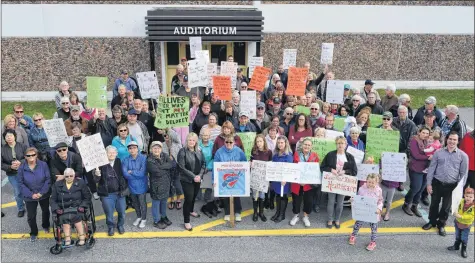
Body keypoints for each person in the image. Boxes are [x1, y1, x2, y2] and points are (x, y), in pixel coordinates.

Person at [423, 132, 469, 236]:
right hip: (437, 183)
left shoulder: (463, 156)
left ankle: (441, 225)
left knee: (446, 208)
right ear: (446, 139)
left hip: (451, 186)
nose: (452, 141)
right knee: (434, 204)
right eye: (450, 139)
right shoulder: (438, 153)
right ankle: (432, 222)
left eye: (454, 140)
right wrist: (429, 184)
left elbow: (463, 174)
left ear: (458, 141)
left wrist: (459, 189)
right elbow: (431, 169)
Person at [321, 136, 358, 229]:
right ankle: (330, 219)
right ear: (336, 144)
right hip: (332, 182)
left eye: (342, 143)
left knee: (340, 203)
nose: (340, 145)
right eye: (338, 143)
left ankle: (337, 219)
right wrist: (331, 169)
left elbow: (354, 171)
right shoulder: (330, 155)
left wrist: (345, 172)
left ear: (346, 145)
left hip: (343, 184)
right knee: (331, 201)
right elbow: (322, 167)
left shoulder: (350, 157)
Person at [50, 168, 91, 246]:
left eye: (71, 176)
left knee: (77, 218)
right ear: (64, 176)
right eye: (67, 176)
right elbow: (52, 200)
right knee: (64, 219)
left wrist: (83, 206)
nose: (69, 178)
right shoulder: (57, 185)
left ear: (74, 175)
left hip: (78, 207)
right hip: (63, 209)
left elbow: (87, 197)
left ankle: (82, 236)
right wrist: (56, 209)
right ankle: (67, 238)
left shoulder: (80, 182)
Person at [17, 147, 51, 241]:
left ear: (37, 155)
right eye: (28, 155)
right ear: (25, 157)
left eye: (33, 155)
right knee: (31, 215)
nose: (31, 157)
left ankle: (46, 225)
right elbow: (20, 183)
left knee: (45, 211)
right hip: (29, 196)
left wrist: (41, 192)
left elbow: (48, 180)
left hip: (43, 194)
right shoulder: (21, 168)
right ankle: (33, 232)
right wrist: (31, 194)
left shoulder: (43, 165)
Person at [94, 146, 128, 236]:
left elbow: (123, 175)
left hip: (119, 192)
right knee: (109, 213)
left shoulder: (118, 161)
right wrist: (97, 174)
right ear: (105, 154)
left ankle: (120, 225)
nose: (112, 154)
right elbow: (96, 180)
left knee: (122, 212)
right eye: (109, 152)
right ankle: (111, 227)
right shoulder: (100, 164)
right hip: (107, 194)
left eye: (114, 152)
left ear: (116, 154)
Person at [214, 135, 248, 222]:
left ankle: (237, 212)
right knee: (225, 195)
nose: (228, 144)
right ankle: (227, 213)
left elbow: (244, 162)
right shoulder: (219, 152)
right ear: (224, 142)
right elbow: (215, 166)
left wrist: (244, 177)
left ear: (234, 143)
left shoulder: (239, 151)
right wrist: (213, 180)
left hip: (236, 176)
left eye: (230, 142)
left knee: (236, 194)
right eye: (226, 142)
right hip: (223, 176)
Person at [177, 133, 205, 231]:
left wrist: (199, 176)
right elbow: (181, 167)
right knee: (188, 198)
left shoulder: (199, 150)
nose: (191, 142)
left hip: (197, 178)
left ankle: (191, 211)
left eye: (193, 140)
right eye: (190, 140)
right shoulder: (182, 151)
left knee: (194, 196)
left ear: (196, 141)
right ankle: (186, 221)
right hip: (187, 179)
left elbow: (203, 164)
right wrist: (194, 177)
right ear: (186, 141)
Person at [348, 173, 383, 251]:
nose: (370, 184)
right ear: (366, 181)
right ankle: (353, 235)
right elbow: (358, 198)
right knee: (358, 224)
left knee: (374, 228)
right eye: (369, 182)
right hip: (363, 212)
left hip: (374, 213)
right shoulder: (361, 189)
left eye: (372, 182)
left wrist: (379, 209)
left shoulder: (379, 190)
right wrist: (353, 200)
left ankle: (373, 242)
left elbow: (380, 201)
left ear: (377, 182)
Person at [289, 138, 319, 227]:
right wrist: (299, 180)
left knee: (308, 201)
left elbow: (315, 170)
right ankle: (296, 216)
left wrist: (306, 181)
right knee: (296, 201)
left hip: (309, 184)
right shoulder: (296, 154)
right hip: (297, 183)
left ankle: (306, 217)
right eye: (305, 144)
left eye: (309, 145)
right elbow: (293, 168)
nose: (307, 146)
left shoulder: (315, 155)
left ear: (311, 146)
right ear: (302, 145)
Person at [402, 127, 431, 218]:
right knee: (415, 187)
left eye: (427, 133)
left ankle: (414, 205)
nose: (425, 135)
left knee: (422, 188)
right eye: (423, 133)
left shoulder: (428, 142)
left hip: (425, 169)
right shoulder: (414, 141)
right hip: (415, 168)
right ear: (419, 132)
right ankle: (406, 204)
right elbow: (416, 155)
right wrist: (428, 157)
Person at [147, 141, 174, 230]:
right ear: (151, 149)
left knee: (163, 203)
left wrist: (160, 166)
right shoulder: (149, 160)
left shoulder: (165, 155)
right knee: (156, 204)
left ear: (161, 149)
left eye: (158, 148)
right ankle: (156, 220)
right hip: (156, 187)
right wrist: (165, 167)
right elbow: (157, 173)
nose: (156, 149)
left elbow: (171, 164)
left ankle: (163, 216)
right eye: (154, 148)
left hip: (166, 184)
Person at [1, 129, 28, 217]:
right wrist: (10, 167)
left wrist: (21, 162)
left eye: (11, 135)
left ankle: (30, 205)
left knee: (28, 189)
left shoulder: (22, 146)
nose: (9, 138)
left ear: (14, 136)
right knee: (18, 192)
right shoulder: (2, 149)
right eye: (7, 136)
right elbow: (1, 164)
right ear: (4, 138)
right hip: (12, 174)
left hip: (24, 171)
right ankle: (21, 208)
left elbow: (29, 157)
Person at [122, 141, 148, 228]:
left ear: (138, 149)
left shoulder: (143, 158)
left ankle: (144, 219)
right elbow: (125, 174)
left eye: (134, 148)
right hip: (131, 185)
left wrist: (132, 172)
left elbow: (142, 173)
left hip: (142, 185)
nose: (132, 149)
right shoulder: (126, 159)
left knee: (142, 203)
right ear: (128, 150)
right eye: (130, 148)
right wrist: (135, 174)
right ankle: (139, 217)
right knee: (135, 203)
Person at [250, 135, 272, 222]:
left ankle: (261, 213)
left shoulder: (269, 152)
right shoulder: (254, 151)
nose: (259, 143)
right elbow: (251, 160)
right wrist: (250, 163)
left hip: (264, 178)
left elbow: (270, 164)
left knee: (262, 195)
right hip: (255, 177)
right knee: (255, 196)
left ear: (264, 142)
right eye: (257, 142)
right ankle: (255, 212)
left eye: (260, 141)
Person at [271, 136, 293, 223]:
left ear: (285, 143)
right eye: (278, 142)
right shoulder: (275, 154)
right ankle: (277, 212)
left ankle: (282, 214)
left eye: (282, 143)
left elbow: (290, 169)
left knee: (283, 196)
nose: (280, 144)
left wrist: (286, 179)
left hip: (284, 181)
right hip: (277, 180)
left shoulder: (288, 155)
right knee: (277, 196)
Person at [447, 187, 474, 258]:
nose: (468, 198)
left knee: (464, 237)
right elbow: (456, 206)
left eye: (471, 197)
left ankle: (463, 249)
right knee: (457, 235)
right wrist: (454, 210)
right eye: (467, 196)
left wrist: (460, 216)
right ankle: (456, 246)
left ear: (474, 198)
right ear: (464, 195)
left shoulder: (473, 207)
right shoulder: (461, 201)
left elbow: (470, 216)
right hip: (458, 222)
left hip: (466, 224)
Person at [161, 129, 183, 210]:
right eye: (165, 136)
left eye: (169, 136)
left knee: (177, 185)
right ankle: (172, 199)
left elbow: (176, 136)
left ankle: (178, 199)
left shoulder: (177, 144)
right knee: (169, 184)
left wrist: (168, 129)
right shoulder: (162, 145)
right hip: (167, 169)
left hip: (177, 168)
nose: (167, 137)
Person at [198, 128, 215, 215]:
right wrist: (201, 168)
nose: (205, 137)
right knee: (198, 183)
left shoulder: (212, 144)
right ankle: (198, 197)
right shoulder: (198, 144)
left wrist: (208, 167)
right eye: (204, 135)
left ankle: (207, 198)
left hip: (209, 167)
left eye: (207, 135)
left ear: (209, 136)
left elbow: (213, 157)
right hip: (199, 167)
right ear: (201, 136)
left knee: (208, 184)